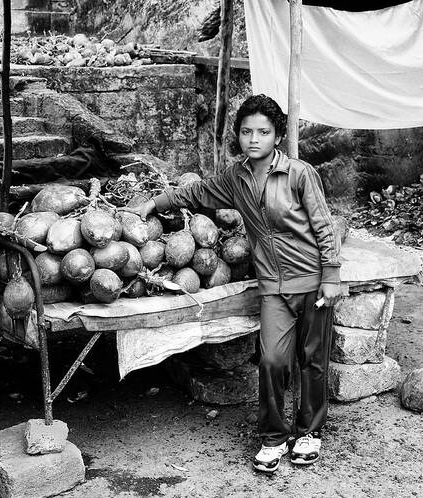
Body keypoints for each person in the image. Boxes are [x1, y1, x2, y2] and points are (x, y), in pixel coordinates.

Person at [122, 94, 342, 473]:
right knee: (272, 360)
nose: (253, 139)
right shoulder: (236, 177)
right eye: (246, 131)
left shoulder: (299, 174)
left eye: (263, 132)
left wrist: (332, 275)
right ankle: (273, 437)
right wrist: (155, 203)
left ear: (276, 136)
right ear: (238, 136)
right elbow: (197, 192)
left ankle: (309, 433)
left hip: (310, 280)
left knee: (312, 361)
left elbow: (323, 226)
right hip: (272, 285)